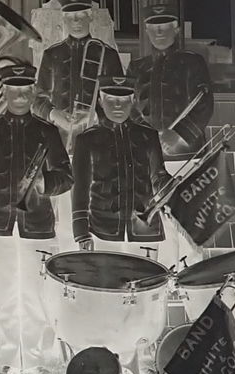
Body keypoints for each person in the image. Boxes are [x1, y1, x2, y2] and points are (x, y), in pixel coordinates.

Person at [0, 66, 72, 374]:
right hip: (0, 223)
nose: (20, 96)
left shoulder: (48, 131)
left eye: (26, 90)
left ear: (33, 93)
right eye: (14, 90)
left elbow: (66, 176)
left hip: (37, 223)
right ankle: (8, 357)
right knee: (5, 292)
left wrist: (45, 183)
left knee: (34, 295)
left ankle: (35, 359)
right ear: (5, 93)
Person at [71, 75, 165, 254]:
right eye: (111, 100)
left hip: (145, 231)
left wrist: (168, 184)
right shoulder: (86, 139)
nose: (117, 106)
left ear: (133, 101)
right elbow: (80, 189)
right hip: (103, 231)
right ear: (100, 100)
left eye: (123, 100)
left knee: (147, 281)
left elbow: (158, 176)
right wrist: (81, 233)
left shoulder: (149, 136)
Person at [36, 0, 123, 154]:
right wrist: (54, 114)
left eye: (81, 15)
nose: (75, 21)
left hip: (97, 136)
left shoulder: (108, 54)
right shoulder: (51, 54)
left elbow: (119, 100)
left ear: (90, 17)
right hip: (59, 137)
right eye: (70, 16)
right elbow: (38, 97)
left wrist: (94, 115)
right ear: (64, 18)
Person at [128, 2, 213, 161]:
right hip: (146, 148)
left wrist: (178, 133)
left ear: (176, 30)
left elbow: (203, 103)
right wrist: (147, 135)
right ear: (147, 31)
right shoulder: (137, 67)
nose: (158, 31)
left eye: (165, 26)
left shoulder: (192, 62)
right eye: (153, 27)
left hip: (185, 148)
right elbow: (130, 106)